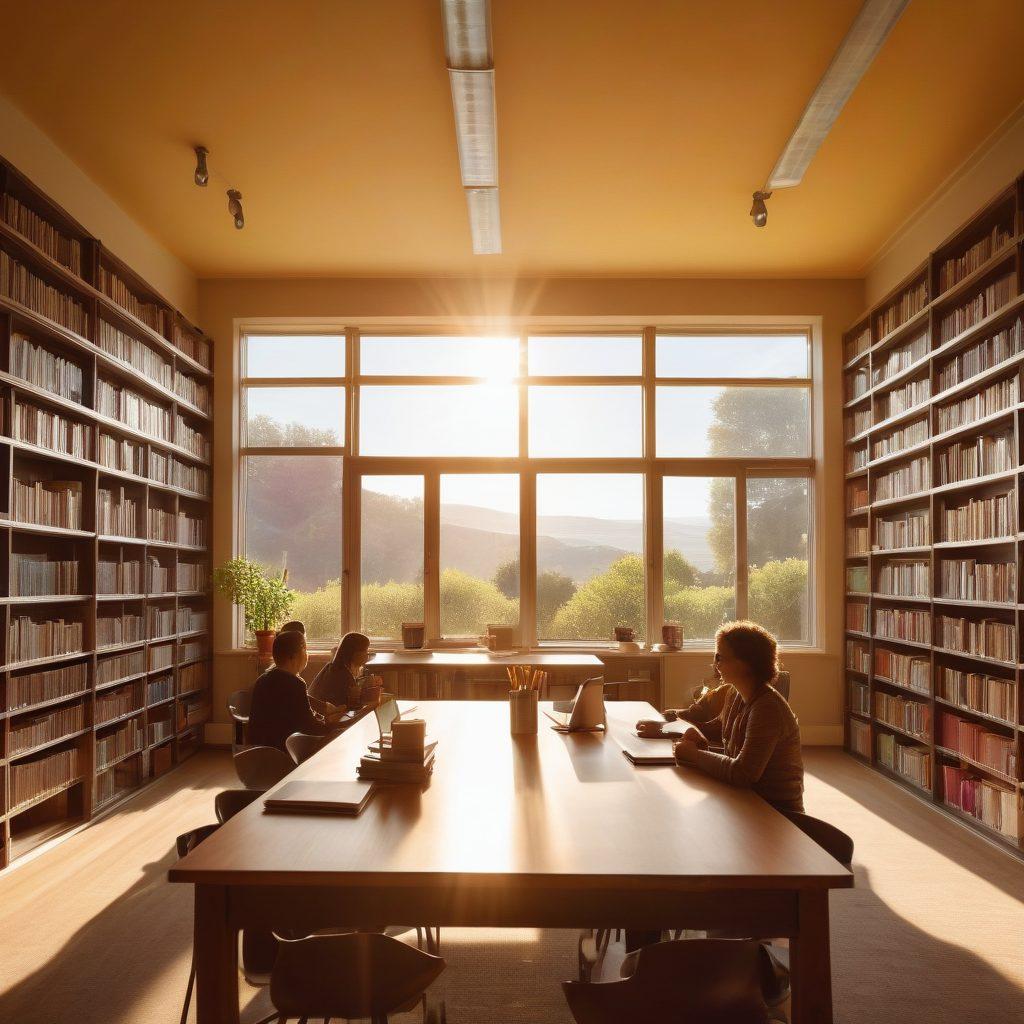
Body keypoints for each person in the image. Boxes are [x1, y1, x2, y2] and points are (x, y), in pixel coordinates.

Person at [636, 620, 804, 814]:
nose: (715, 665)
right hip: (746, 801)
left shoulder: (767, 708)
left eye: (720, 657)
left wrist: (695, 755)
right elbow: (713, 730)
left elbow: (743, 773)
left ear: (744, 663)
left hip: (777, 815)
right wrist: (666, 730)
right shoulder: (735, 694)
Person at [247, 629, 347, 752]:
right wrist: (334, 726)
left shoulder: (263, 679)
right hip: (283, 751)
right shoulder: (294, 684)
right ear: (293, 656)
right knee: (340, 738)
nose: (307, 654)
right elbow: (309, 727)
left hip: (258, 751)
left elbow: (294, 718)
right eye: (305, 649)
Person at [308, 631, 383, 710]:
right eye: (365, 651)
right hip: (329, 718)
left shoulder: (335, 667)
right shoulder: (341, 674)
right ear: (354, 653)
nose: (367, 654)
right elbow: (352, 706)